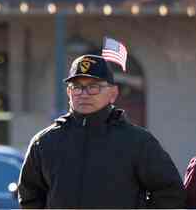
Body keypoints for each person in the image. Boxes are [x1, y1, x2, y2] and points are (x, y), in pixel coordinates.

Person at [18, 54, 186, 208]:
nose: (84, 94)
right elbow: (29, 197)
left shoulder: (138, 142)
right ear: (69, 92)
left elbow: (170, 193)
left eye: (94, 87)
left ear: (113, 93)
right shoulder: (44, 142)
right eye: (77, 86)